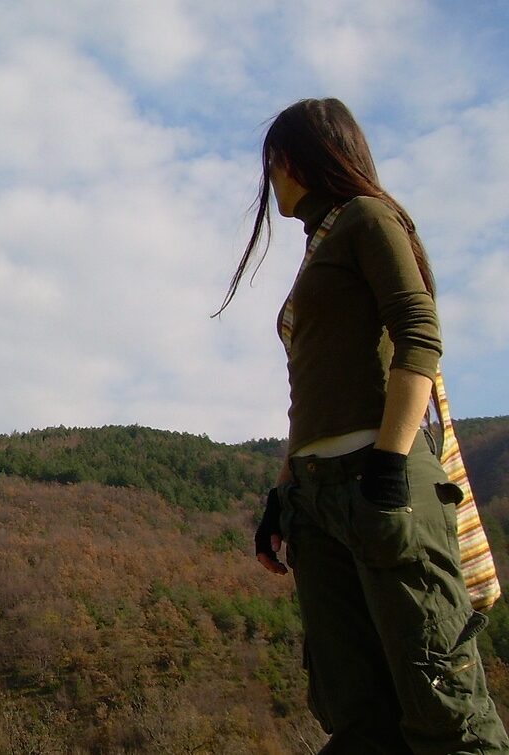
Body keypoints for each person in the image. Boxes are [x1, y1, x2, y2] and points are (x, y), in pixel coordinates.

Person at [217, 98, 509, 753]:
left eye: (275, 164)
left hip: (380, 485)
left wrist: (388, 466)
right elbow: (313, 395)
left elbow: (419, 334)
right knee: (358, 714)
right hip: (317, 498)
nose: (271, 180)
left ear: (299, 158)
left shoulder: (370, 219)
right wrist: (282, 495)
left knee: (443, 709)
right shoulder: (320, 246)